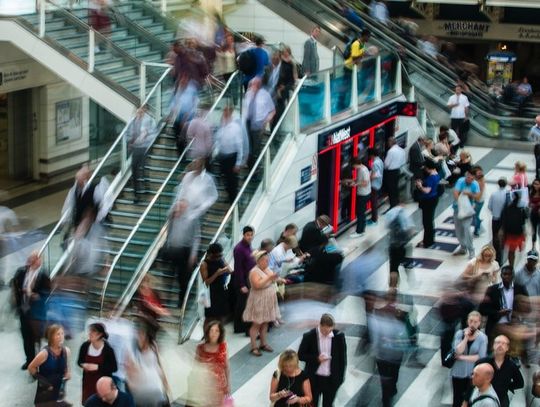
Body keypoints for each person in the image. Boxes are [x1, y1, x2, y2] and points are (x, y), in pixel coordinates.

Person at [369, 289, 408, 407]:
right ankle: (387, 397)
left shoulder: (399, 312)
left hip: (387, 353)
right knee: (389, 376)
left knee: (388, 376)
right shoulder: (397, 312)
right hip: (390, 353)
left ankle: (388, 393)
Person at [12, 251, 50, 370]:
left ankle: (37, 363)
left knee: (37, 339)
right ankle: (29, 360)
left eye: (36, 259)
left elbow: (47, 293)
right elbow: (15, 285)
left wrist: (36, 296)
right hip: (24, 310)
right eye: (31, 258)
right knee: (26, 337)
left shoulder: (43, 275)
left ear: (40, 261)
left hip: (37, 313)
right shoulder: (21, 271)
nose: (33, 261)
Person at [298, 314, 346, 407]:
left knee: (328, 404)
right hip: (314, 379)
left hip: (331, 380)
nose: (327, 333)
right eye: (324, 331)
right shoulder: (309, 336)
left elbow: (342, 359)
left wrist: (340, 379)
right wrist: (316, 359)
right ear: (320, 325)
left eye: (329, 330)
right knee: (312, 404)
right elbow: (300, 355)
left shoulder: (339, 336)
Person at [243, 250, 282, 356]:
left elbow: (273, 278)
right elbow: (257, 285)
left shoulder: (267, 269)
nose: (267, 263)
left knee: (265, 322)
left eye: (268, 260)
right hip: (259, 299)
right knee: (257, 323)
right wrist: (269, 278)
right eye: (265, 261)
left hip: (268, 298)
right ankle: (253, 346)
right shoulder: (254, 271)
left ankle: (263, 344)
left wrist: (279, 279)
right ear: (259, 261)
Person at [467, 336, 524, 407]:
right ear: (493, 345)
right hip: (483, 397)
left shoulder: (511, 365)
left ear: (507, 348)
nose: (500, 345)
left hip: (502, 399)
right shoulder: (482, 362)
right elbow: (472, 381)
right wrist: (466, 400)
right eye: (498, 342)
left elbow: (520, 383)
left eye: (503, 343)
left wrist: (506, 385)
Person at [479, 266, 530, 346]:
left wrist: (517, 314)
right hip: (496, 326)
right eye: (504, 274)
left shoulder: (520, 289)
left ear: (513, 276)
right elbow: (482, 309)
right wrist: (497, 313)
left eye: (509, 274)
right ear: (501, 275)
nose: (507, 276)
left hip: (514, 327)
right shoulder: (493, 289)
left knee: (513, 353)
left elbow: (528, 307)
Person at [164, 199, 201, 307]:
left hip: (185, 250)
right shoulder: (173, 216)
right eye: (180, 205)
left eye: (183, 206)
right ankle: (167, 299)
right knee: (169, 274)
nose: (181, 208)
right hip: (173, 249)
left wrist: (193, 254)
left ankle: (182, 301)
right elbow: (169, 231)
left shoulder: (192, 218)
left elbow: (196, 237)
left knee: (183, 277)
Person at [125, 322, 170, 407]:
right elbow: (129, 371)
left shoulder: (153, 346)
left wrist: (165, 383)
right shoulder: (132, 350)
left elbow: (159, 365)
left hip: (155, 389)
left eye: (142, 334)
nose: (140, 337)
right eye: (138, 334)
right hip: (141, 392)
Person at [450, 311, 488, 407]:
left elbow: (481, 357)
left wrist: (461, 357)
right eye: (471, 321)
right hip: (458, 371)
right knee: (457, 399)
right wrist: (466, 338)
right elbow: (458, 350)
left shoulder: (482, 338)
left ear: (479, 323)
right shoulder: (460, 334)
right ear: (467, 321)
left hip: (473, 373)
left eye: (475, 322)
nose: (473, 324)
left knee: (469, 399)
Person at [28, 324, 71, 407]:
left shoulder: (66, 351)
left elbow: (67, 368)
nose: (61, 336)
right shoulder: (44, 353)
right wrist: (44, 382)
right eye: (58, 334)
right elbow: (31, 367)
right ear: (51, 337)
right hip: (45, 393)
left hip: (59, 392)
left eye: (62, 333)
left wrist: (68, 372)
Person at [78, 323, 118, 404]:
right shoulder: (85, 346)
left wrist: (97, 367)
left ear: (100, 334)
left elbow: (114, 368)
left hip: (103, 385)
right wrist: (84, 365)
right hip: (88, 382)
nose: (90, 333)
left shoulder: (108, 349)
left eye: (93, 331)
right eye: (90, 331)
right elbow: (79, 361)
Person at [214, 104, 246, 204]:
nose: (224, 113)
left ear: (230, 112)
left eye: (226, 111)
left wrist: (238, 163)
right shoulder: (222, 125)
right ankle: (229, 196)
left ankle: (234, 199)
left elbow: (239, 145)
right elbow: (218, 139)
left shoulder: (235, 127)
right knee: (224, 178)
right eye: (224, 111)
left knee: (232, 180)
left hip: (232, 156)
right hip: (223, 156)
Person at [242, 77, 275, 168]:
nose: (253, 86)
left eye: (256, 84)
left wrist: (266, 121)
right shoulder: (248, 94)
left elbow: (272, 111)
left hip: (259, 124)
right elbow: (245, 109)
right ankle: (250, 165)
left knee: (256, 149)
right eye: (252, 84)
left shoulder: (265, 95)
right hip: (247, 123)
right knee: (248, 147)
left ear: (259, 85)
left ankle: (255, 170)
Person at [195, 321, 230, 404]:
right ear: (207, 332)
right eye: (211, 330)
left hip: (220, 387)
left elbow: (227, 367)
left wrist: (228, 384)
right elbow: (195, 368)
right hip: (204, 387)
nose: (214, 333)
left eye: (217, 331)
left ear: (220, 333)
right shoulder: (200, 348)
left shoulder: (224, 346)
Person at [127, 104, 156, 203]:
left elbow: (153, 134)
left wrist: (143, 139)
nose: (139, 112)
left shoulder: (149, 120)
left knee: (143, 167)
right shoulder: (133, 121)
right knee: (134, 169)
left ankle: (146, 184)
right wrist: (130, 142)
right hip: (135, 148)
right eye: (138, 110)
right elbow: (128, 133)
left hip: (145, 148)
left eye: (141, 110)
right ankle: (136, 195)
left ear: (144, 111)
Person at [200, 243, 232, 326]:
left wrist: (226, 269)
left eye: (220, 255)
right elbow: (206, 282)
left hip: (221, 290)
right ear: (211, 254)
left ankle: (219, 335)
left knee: (221, 316)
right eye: (217, 256)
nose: (219, 257)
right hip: (211, 293)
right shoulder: (204, 264)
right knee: (209, 317)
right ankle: (207, 335)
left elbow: (230, 271)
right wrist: (216, 274)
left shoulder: (221, 259)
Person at [232, 226, 255, 334]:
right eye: (248, 235)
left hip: (249, 279)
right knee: (241, 305)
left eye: (251, 235)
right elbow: (238, 268)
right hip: (242, 280)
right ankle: (239, 327)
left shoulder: (248, 246)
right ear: (244, 235)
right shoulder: (239, 249)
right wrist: (242, 284)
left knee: (246, 304)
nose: (250, 237)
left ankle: (244, 326)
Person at [453, 170, 480, 259]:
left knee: (467, 229)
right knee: (458, 230)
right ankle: (463, 247)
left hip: (468, 210)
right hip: (458, 209)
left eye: (472, 178)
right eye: (468, 177)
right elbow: (455, 192)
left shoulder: (475, 184)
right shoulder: (461, 181)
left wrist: (469, 194)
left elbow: (477, 196)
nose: (469, 180)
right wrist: (460, 204)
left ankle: (471, 250)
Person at [416, 160, 440, 248]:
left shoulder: (431, 178)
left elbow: (427, 190)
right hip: (434, 199)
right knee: (429, 221)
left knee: (427, 222)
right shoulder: (436, 174)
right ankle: (429, 239)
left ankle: (427, 241)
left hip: (428, 201)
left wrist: (420, 186)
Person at [501, 191, 528, 268]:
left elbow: (503, 220)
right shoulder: (522, 208)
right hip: (518, 233)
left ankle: (511, 265)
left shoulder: (507, 207)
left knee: (511, 251)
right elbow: (524, 220)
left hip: (509, 233)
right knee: (517, 250)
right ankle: (513, 266)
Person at [488, 178, 509, 265]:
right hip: (505, 220)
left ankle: (497, 257)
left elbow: (489, 206)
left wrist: (495, 211)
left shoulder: (494, 194)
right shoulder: (508, 194)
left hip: (495, 219)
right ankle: (502, 253)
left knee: (495, 238)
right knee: (503, 237)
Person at [348, 157, 371, 238]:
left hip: (363, 195)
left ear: (355, 164)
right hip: (364, 194)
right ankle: (361, 230)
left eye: (353, 166)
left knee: (360, 214)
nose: (353, 168)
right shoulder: (361, 169)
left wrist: (355, 184)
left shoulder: (363, 170)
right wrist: (353, 181)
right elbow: (359, 179)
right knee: (361, 213)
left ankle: (359, 231)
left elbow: (365, 183)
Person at [384, 136, 406, 208]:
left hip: (390, 172)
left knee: (391, 189)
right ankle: (396, 203)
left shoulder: (391, 151)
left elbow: (386, 164)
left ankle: (392, 205)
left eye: (388, 142)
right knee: (395, 188)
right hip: (398, 170)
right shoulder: (401, 150)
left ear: (390, 142)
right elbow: (403, 161)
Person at [368, 148, 384, 224]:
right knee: (374, 201)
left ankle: (374, 219)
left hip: (374, 185)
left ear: (372, 155)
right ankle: (374, 218)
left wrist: (368, 178)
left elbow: (375, 175)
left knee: (373, 202)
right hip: (378, 184)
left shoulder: (375, 163)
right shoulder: (380, 161)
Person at [530, 179, 540, 249]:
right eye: (534, 184)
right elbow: (529, 203)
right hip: (533, 214)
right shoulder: (531, 192)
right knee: (534, 231)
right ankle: (533, 247)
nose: (535, 186)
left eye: (537, 184)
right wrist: (530, 205)